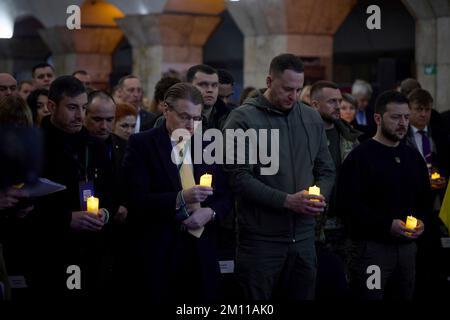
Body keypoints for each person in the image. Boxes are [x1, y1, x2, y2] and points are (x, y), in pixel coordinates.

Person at [223, 53, 335, 300]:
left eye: (298, 89)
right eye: (286, 89)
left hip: (304, 237)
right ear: (269, 81)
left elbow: (326, 169)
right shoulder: (242, 119)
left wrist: (319, 196)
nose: (293, 96)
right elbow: (238, 177)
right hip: (261, 240)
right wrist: (286, 200)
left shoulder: (310, 116)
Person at [122, 82, 233, 300]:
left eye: (197, 118)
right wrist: (180, 197)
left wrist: (209, 213)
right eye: (184, 117)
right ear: (165, 109)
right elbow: (135, 200)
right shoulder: (142, 144)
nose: (191, 125)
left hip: (202, 250)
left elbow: (226, 195)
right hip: (160, 250)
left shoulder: (208, 145)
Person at [337, 90, 431, 300]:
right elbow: (348, 204)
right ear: (378, 118)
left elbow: (424, 199)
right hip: (372, 250)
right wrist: (387, 225)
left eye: (406, 117)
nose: (403, 123)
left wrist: (422, 221)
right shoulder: (361, 156)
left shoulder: (412, 156)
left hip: (407, 250)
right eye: (396, 117)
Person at [29, 76, 112, 299]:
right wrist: (66, 218)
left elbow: (113, 193)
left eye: (84, 108)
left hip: (94, 248)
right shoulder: (33, 146)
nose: (80, 116)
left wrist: (105, 213)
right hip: (50, 250)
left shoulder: (95, 146)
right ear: (51, 106)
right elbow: (21, 206)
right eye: (72, 107)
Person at [187, 64, 232, 130]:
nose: (210, 90)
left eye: (214, 85)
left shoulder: (230, 116)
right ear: (188, 86)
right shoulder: (175, 116)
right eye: (203, 85)